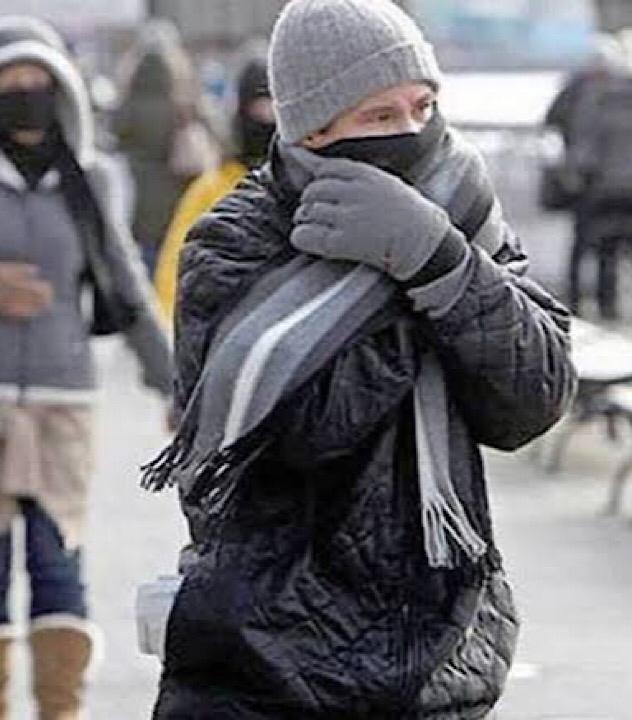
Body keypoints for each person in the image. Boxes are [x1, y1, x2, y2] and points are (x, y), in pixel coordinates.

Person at [143, 0, 577, 716]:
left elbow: (533, 399)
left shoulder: (459, 215)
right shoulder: (233, 241)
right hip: (270, 659)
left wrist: (441, 262)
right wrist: (411, 282)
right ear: (316, 126)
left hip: (439, 650)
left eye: (424, 106)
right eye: (380, 117)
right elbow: (303, 432)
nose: (412, 133)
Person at [0, 16, 171, 720]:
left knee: (57, 568)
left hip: (64, 404)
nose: (25, 93)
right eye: (9, 83)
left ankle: (59, 712)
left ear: (63, 89)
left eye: (37, 81)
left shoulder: (94, 180)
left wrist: (176, 386)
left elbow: (126, 287)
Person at [154, 46, 276, 319]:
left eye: (275, 108)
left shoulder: (312, 186)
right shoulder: (211, 191)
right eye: (259, 108)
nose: (268, 119)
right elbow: (175, 267)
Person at [114, 20, 220, 275]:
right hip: (180, 198)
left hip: (139, 203)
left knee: (147, 268)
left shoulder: (126, 104)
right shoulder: (186, 100)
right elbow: (219, 139)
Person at [544, 35, 630, 319]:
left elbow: (566, 132)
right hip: (609, 185)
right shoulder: (597, 93)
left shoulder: (583, 92)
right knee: (605, 248)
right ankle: (604, 305)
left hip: (593, 184)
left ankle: (586, 303)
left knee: (591, 246)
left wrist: (572, 172)